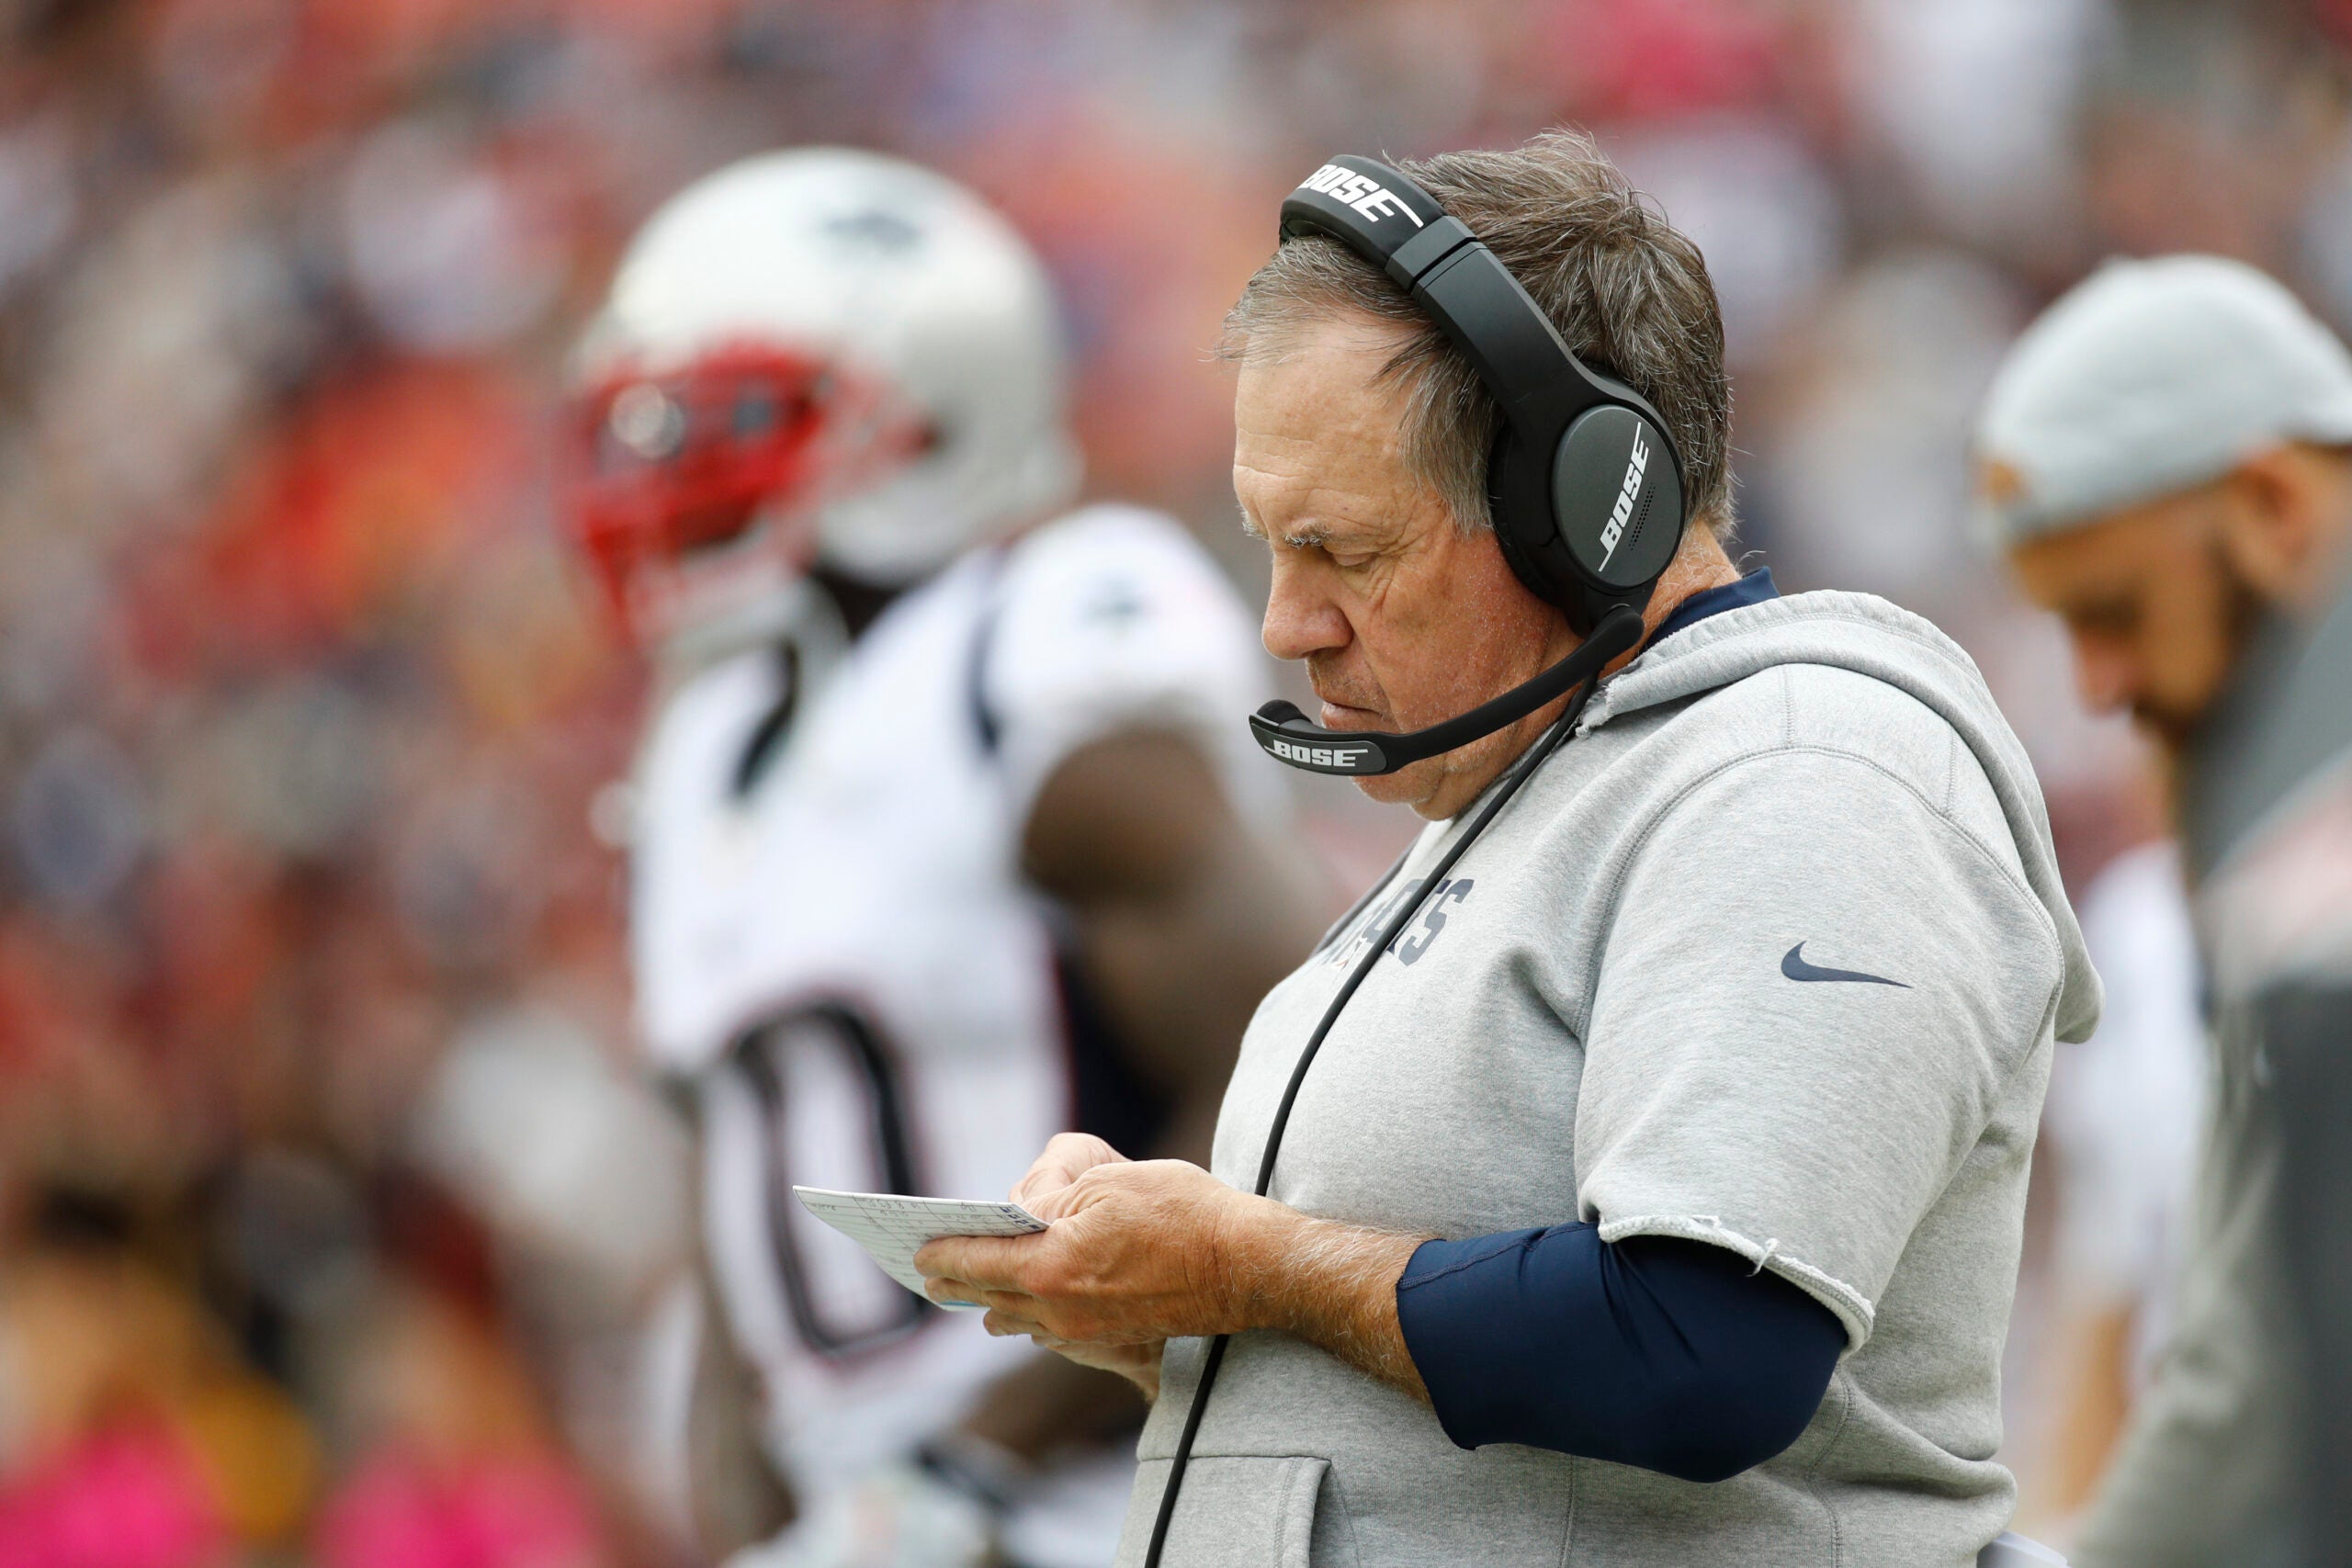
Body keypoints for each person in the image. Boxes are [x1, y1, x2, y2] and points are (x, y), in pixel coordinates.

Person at [918, 130, 2097, 1567]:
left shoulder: (1804, 771)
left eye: (1345, 550)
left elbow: (1702, 1344)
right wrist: (1171, 1316)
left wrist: (1247, 1262)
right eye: (1271, 547)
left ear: (1589, 512)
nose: (1285, 622)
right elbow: (1471, 1410)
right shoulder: (1536, 789)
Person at [564, 148, 1321, 1568]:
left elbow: (1298, 1065)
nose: (665, 469)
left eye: (726, 417)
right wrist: (780, 1520)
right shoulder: (704, 743)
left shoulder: (1029, 645)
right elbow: (742, 1206)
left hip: (1115, 1502)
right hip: (869, 1516)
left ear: (924, 420)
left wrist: (975, 1468)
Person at [1973, 254, 2352, 1568]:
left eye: (2119, 613)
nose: (2096, 685)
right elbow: (2237, 1364)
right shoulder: (2239, 850)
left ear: (2271, 502)